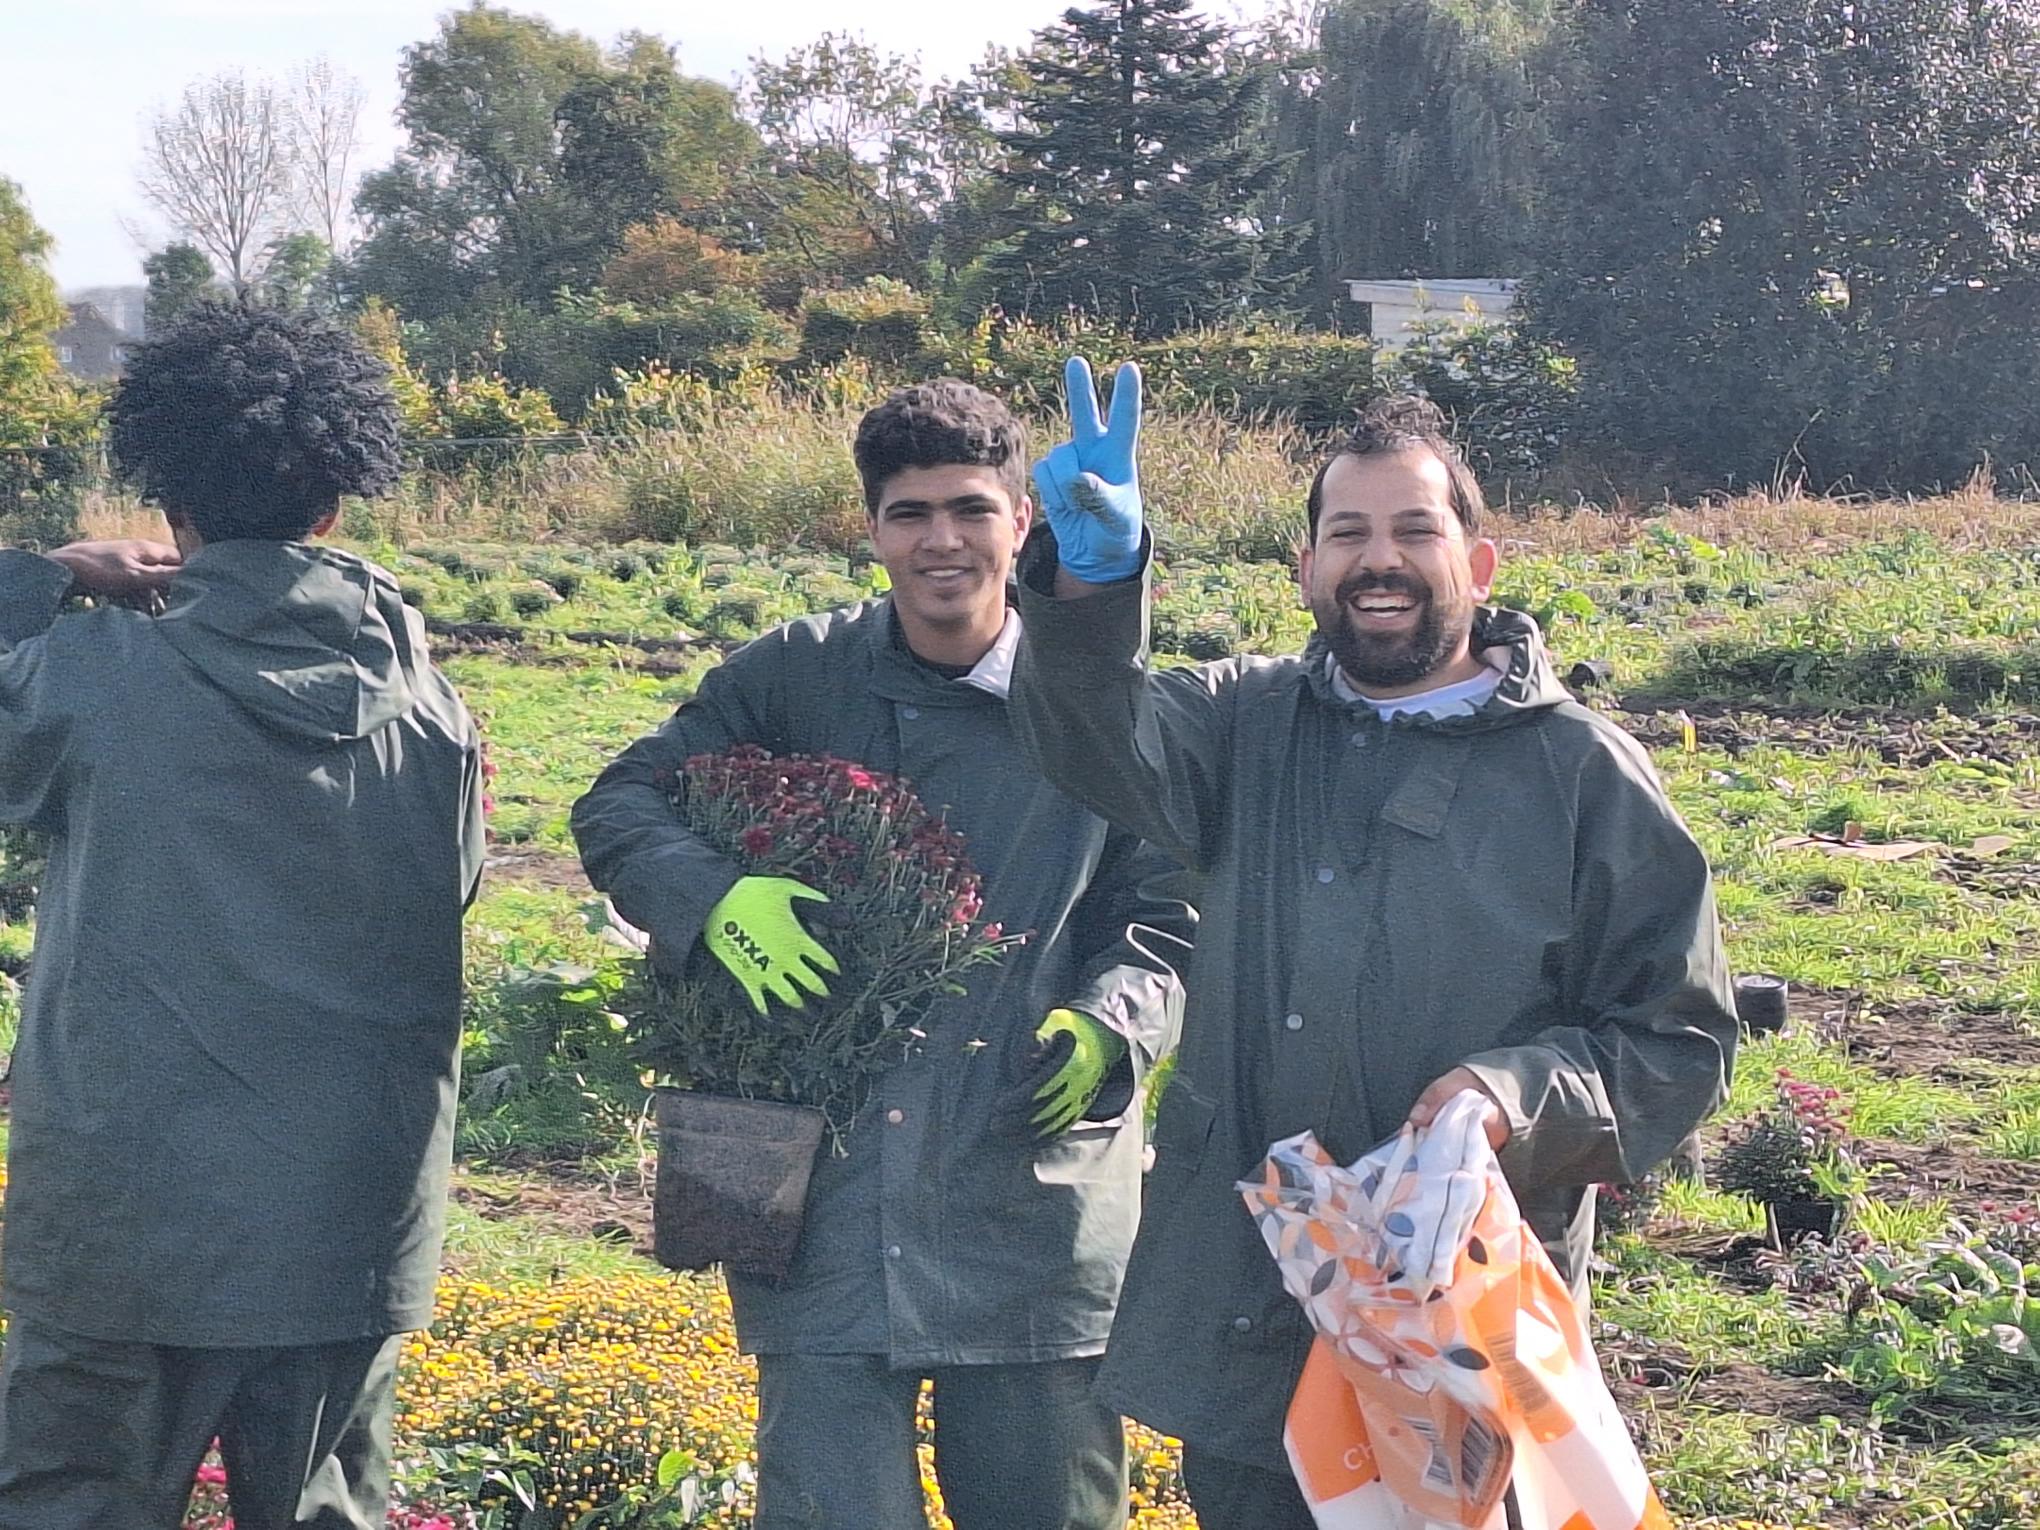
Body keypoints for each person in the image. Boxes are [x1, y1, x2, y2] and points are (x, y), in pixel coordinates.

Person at [1009, 363, 1738, 1529]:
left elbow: (1680, 1037)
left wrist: (1513, 1093)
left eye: (1414, 528)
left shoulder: (1580, 773)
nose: (1377, 558)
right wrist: (1088, 591)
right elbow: (1092, 739)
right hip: (1257, 1313)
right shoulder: (1241, 724)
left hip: (1463, 1324)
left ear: (1478, 562)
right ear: (1307, 568)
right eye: (1346, 532)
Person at [572, 378, 1192, 1530]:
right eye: (910, 513)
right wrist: (712, 900)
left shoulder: (1096, 696)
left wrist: (1117, 1024)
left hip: (1026, 1192)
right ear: (871, 529)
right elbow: (619, 802)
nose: (941, 540)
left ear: (1021, 520)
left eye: (970, 507)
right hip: (814, 1200)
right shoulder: (798, 674)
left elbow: (1169, 905)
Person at [0, 305, 486, 1529]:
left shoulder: (93, 677)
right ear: (333, 506)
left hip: (125, 1221)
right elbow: (458, 889)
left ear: (171, 504)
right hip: (349, 1223)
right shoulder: (434, 714)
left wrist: (44, 577)